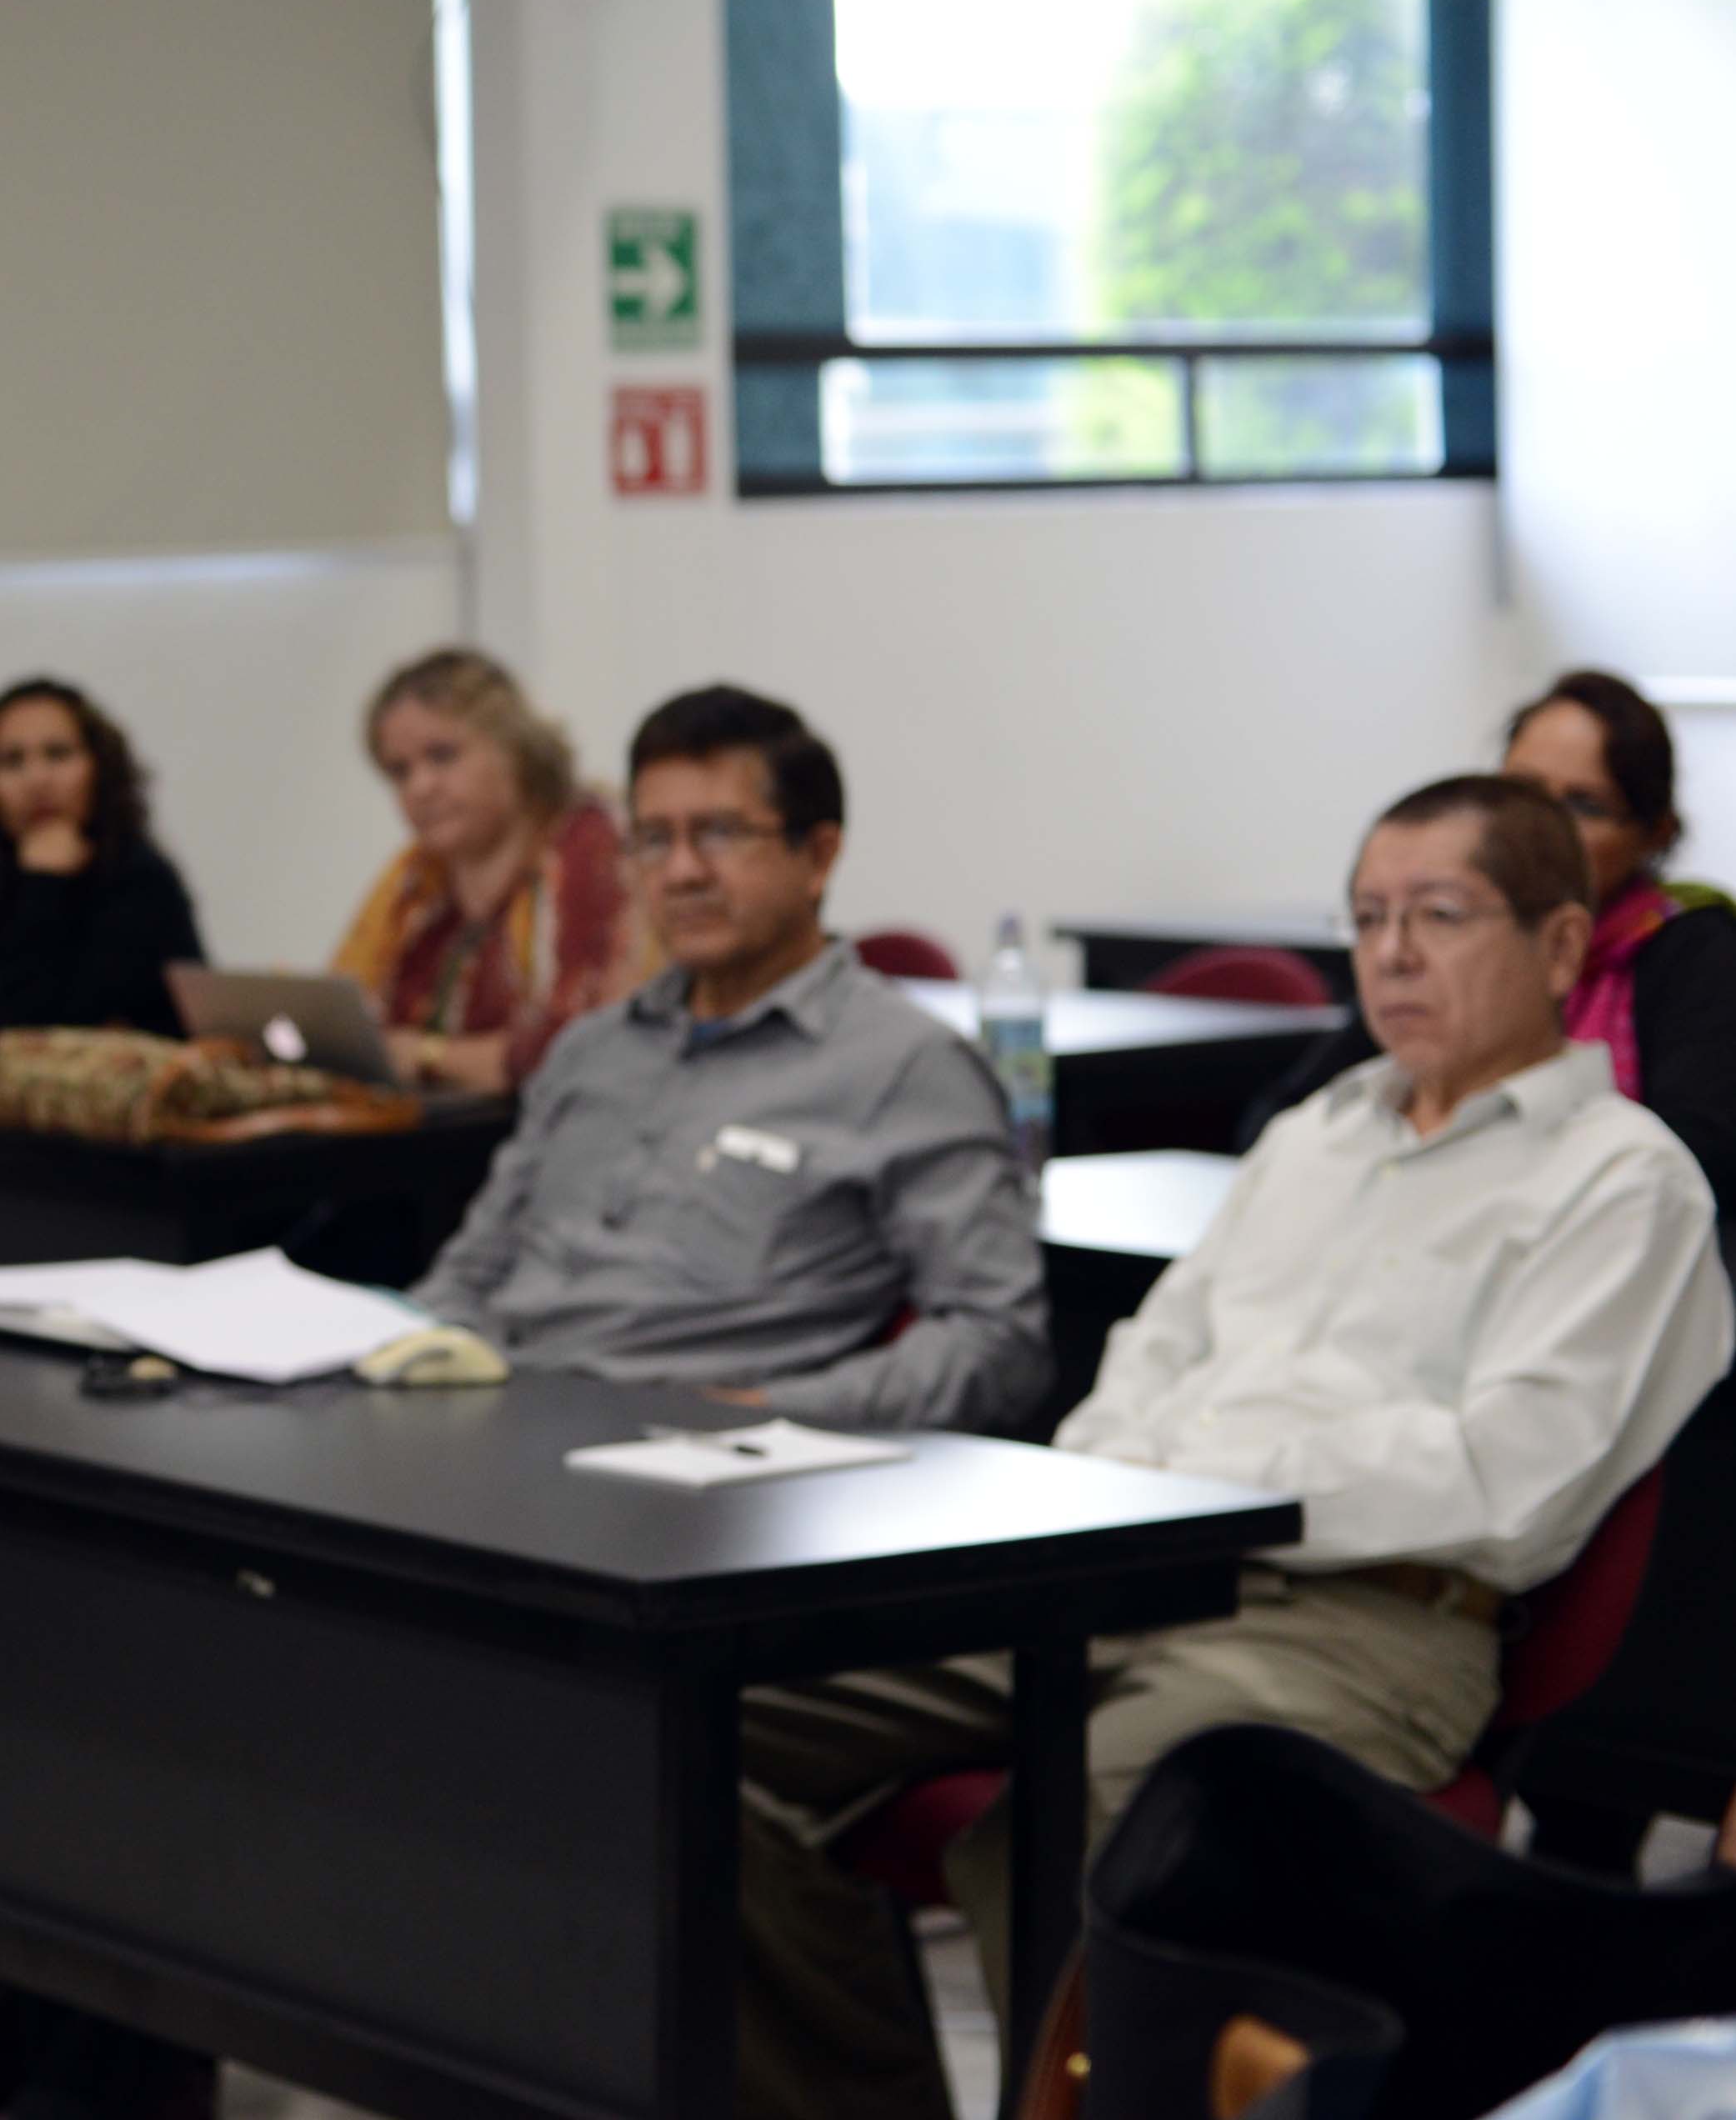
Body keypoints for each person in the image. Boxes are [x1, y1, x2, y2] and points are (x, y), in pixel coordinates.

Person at [738, 774, 1735, 2120]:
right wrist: (1132, 1498)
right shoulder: (1313, 1136)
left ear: (1562, 945)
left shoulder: (1624, 1179)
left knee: (1078, 1819)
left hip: (1370, 1622)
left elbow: (1507, 1482)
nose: (1390, 952)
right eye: (1369, 915)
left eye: (1439, 915)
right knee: (716, 1717)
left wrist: (1213, 1472)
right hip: (1126, 1565)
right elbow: (1144, 1363)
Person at [412, 685, 1048, 1432]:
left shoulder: (907, 1067)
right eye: (653, 839)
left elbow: (998, 1340)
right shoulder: (592, 1050)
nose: (681, 873)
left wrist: (772, 1415)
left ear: (818, 856)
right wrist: (412, 1362)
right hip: (492, 1427)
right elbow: (471, 1272)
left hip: (690, 1464)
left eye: (718, 834)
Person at [1248, 670, 1736, 1228]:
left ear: (1655, 833)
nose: (1544, 827)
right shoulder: (1445, 943)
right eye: (1522, 794)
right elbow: (1292, 1115)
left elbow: (1703, 1157)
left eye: (1584, 805)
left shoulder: (1690, 945)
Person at [330, 647, 646, 1094]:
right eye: (399, 772)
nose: (420, 787)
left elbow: (585, 1049)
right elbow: (346, 1025)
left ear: (513, 748)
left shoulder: (592, 846)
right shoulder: (416, 878)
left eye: (442, 756)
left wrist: (425, 1056)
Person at [0, 678, 205, 1045]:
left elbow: (42, 1024)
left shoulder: (140, 879)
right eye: (12, 761)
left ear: (100, 768)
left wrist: (44, 888)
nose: (37, 780)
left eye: (58, 754)